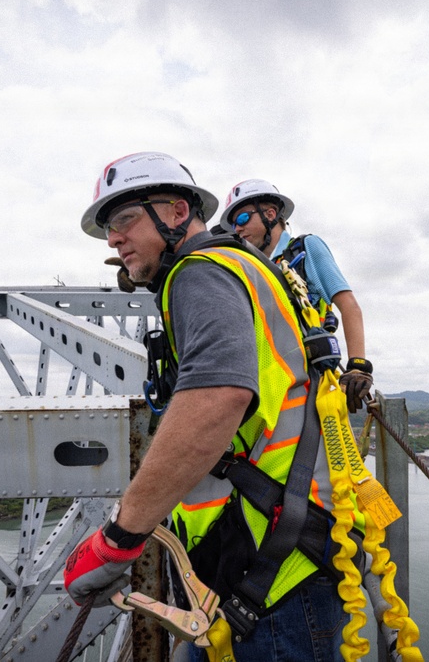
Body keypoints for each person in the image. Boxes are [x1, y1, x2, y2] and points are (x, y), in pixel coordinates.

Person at [63, 152, 366, 661]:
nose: (114, 240)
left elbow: (219, 396)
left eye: (124, 221)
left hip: (273, 571)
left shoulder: (198, 273)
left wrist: (120, 537)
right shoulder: (244, 266)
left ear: (178, 213)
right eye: (109, 230)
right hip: (280, 548)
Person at [217, 179, 373, 413]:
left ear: (270, 214)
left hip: (309, 382)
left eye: (242, 218)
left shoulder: (306, 249)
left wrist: (358, 366)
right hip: (270, 386)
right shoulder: (252, 268)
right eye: (233, 225)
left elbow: (349, 305)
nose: (237, 229)